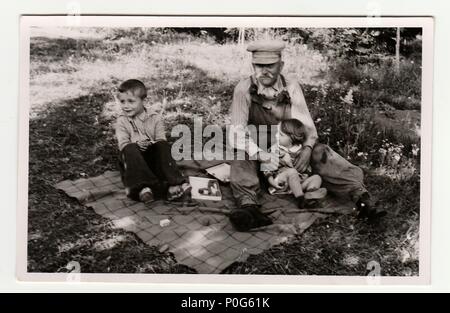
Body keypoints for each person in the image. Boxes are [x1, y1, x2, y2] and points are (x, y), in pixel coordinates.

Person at [228, 40, 385, 232]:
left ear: (281, 65)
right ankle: (248, 209)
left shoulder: (291, 86)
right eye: (259, 65)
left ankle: (363, 200)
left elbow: (308, 128)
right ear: (253, 66)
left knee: (322, 152)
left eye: (270, 65)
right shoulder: (243, 89)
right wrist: (262, 155)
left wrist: (307, 149)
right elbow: (237, 133)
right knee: (240, 155)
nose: (264, 71)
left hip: (288, 147)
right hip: (258, 146)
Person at [114, 79, 191, 203]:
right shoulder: (122, 121)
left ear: (143, 101)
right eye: (122, 102)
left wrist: (150, 143)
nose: (126, 106)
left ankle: (175, 183)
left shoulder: (155, 118)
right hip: (133, 161)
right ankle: (143, 188)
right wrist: (137, 144)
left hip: (151, 159)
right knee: (129, 148)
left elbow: (161, 139)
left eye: (131, 101)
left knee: (163, 145)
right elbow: (123, 144)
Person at [264, 119, 327, 209]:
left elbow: (306, 168)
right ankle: (301, 200)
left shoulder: (300, 151)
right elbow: (266, 166)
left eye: (280, 134)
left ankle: (311, 193)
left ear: (292, 138)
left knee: (317, 178)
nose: (276, 136)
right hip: (281, 183)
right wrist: (271, 181)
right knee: (292, 172)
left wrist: (306, 172)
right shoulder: (275, 149)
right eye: (277, 132)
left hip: (297, 185)